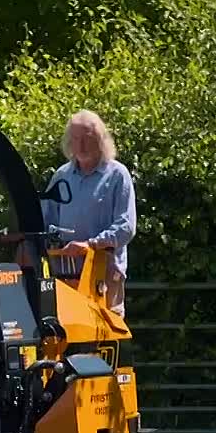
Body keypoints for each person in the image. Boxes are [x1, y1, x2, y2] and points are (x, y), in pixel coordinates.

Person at [41, 109, 136, 316]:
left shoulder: (117, 175)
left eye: (87, 138)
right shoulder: (61, 176)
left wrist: (90, 244)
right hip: (66, 275)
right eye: (76, 139)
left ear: (100, 139)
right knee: (66, 339)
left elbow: (126, 227)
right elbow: (45, 222)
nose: (81, 145)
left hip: (104, 275)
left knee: (103, 339)